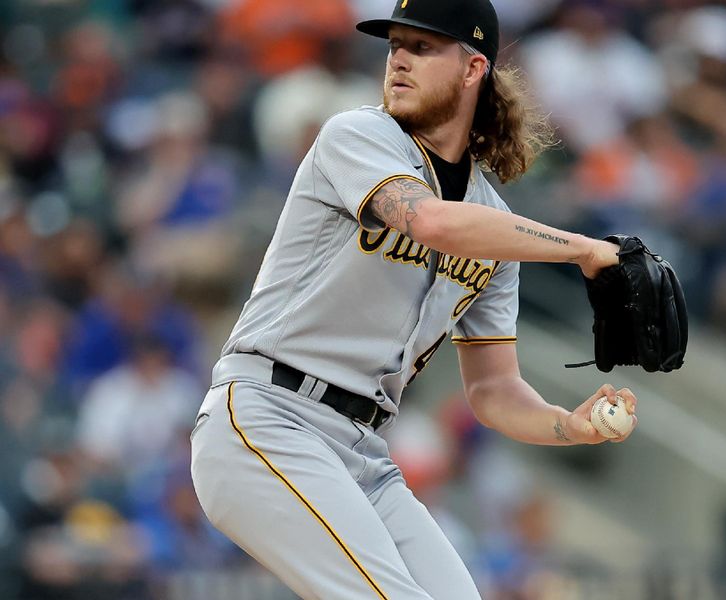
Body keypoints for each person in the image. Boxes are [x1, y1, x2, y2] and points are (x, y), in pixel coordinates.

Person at [190, 1, 638, 598]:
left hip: (364, 452)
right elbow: (431, 222)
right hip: (271, 418)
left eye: (423, 47)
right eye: (394, 45)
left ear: (474, 68)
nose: (398, 59)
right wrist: (586, 250)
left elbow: (493, 390)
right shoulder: (357, 135)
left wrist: (568, 427)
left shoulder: (493, 226)